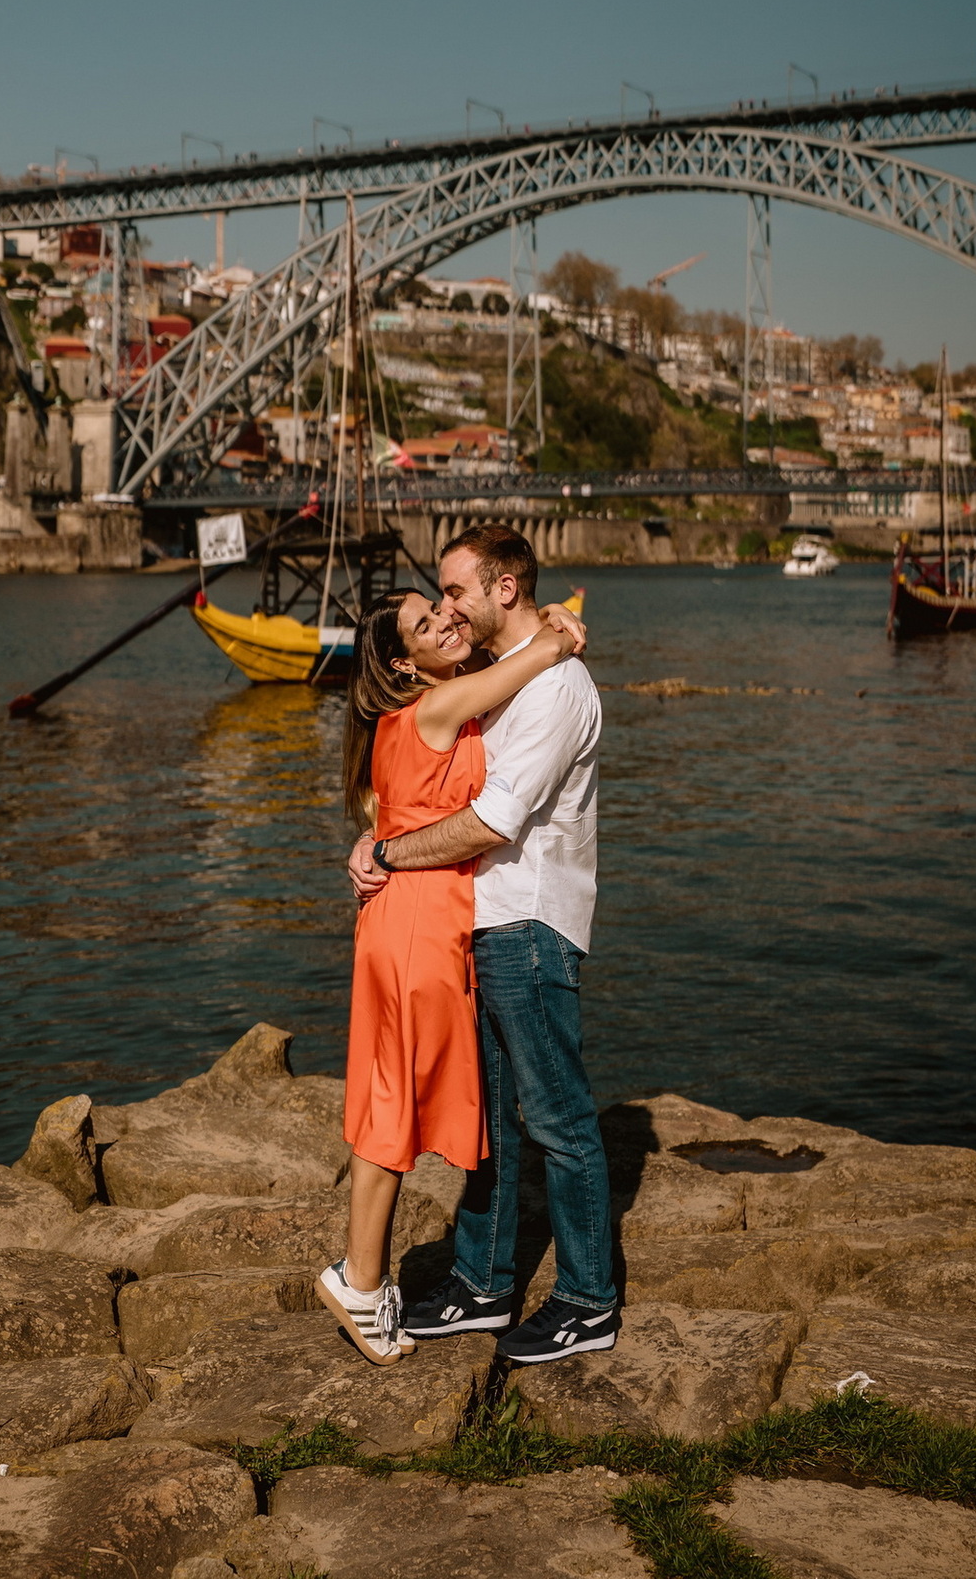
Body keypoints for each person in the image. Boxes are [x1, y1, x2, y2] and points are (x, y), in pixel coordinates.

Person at [349, 524, 618, 1365]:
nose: (450, 607)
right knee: (493, 1123)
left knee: (559, 1120)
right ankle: (483, 1282)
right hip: (476, 925)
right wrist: (376, 836)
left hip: (528, 923)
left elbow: (490, 820)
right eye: (439, 600)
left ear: (505, 587)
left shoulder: (554, 686)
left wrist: (389, 852)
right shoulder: (500, 677)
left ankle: (587, 1300)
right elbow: (418, 781)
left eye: (456, 590)